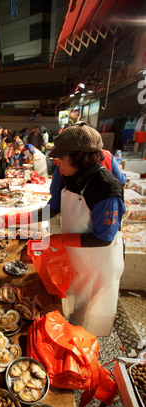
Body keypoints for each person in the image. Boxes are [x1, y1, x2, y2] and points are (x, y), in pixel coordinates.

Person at [46, 122, 125, 337]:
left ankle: (79, 352)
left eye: (61, 157)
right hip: (78, 256)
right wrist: (13, 220)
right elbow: (53, 208)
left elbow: (104, 237)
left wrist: (59, 240)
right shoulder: (69, 176)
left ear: (80, 156)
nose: (57, 162)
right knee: (73, 303)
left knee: (87, 316)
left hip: (98, 263)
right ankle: (71, 334)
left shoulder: (106, 187)